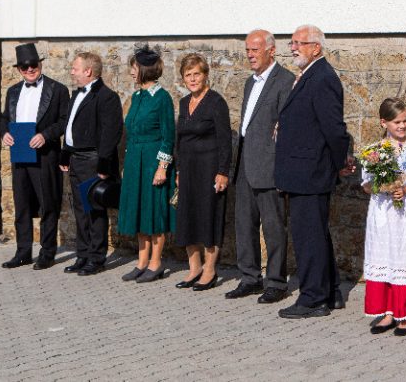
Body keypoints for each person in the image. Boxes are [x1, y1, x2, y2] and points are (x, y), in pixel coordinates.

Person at [274, 24, 353, 319]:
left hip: (310, 172)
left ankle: (312, 299)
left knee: (309, 238)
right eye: (291, 42)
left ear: (315, 47)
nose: (293, 47)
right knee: (315, 235)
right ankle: (330, 292)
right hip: (303, 170)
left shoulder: (322, 78)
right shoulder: (310, 75)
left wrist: (339, 162)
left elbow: (334, 129)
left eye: (298, 43)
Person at [226, 30, 295, 303]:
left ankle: (276, 282)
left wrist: (282, 171)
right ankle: (249, 278)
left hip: (269, 166)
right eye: (247, 51)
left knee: (274, 227)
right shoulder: (249, 83)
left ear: (271, 50)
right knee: (244, 225)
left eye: (255, 50)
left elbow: (285, 131)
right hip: (244, 163)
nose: (250, 55)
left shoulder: (285, 81)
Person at [363, 98, 406, 336]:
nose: (402, 126)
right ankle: (387, 313)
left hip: (405, 212)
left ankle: (405, 315)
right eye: (397, 122)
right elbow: (365, 184)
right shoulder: (375, 150)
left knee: (404, 258)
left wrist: (404, 190)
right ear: (384, 122)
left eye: (405, 121)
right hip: (382, 212)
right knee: (384, 257)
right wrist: (379, 186)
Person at [0, 43, 70, 269]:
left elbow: (64, 121)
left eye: (33, 65)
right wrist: (5, 134)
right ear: (19, 69)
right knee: (22, 206)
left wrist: (45, 135)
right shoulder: (12, 92)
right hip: (20, 154)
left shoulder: (57, 90)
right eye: (24, 66)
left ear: (40, 64)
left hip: (45, 155)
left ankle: (47, 253)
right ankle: (23, 252)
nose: (30, 69)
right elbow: (3, 119)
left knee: (48, 204)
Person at [59, 52, 123, 276]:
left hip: (93, 160)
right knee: (79, 210)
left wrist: (104, 164)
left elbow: (111, 133)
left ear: (88, 71)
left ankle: (96, 258)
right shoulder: (76, 94)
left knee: (94, 210)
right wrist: (65, 153)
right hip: (76, 159)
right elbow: (69, 127)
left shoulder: (107, 97)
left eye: (75, 68)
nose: (72, 72)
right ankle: (83, 254)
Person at [116, 46, 176, 283]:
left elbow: (168, 136)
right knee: (139, 210)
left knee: (154, 211)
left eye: (134, 67)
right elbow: (130, 132)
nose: (131, 72)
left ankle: (156, 262)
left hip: (153, 160)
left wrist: (162, 167)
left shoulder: (162, 98)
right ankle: (141, 261)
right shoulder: (137, 97)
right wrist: (128, 162)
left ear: (144, 69)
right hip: (135, 160)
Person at [173, 53, 232, 291]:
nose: (193, 79)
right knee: (187, 217)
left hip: (210, 169)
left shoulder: (217, 102)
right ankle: (194, 267)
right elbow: (179, 139)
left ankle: (210, 270)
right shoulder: (183, 102)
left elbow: (225, 140)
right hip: (187, 169)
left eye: (197, 74)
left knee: (209, 217)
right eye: (188, 75)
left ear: (205, 75)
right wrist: (177, 168)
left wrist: (223, 172)